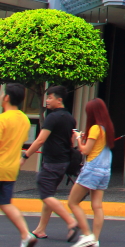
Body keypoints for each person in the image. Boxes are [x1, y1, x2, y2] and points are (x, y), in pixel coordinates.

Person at [21, 86, 78, 242]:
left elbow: (40, 139)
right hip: (64, 161)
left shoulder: (53, 118)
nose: (47, 100)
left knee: (45, 192)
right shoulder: (70, 118)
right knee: (49, 193)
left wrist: (25, 156)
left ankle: (71, 222)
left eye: (50, 97)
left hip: (53, 161)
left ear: (59, 100)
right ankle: (40, 229)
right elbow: (71, 140)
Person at [69, 99, 115, 247]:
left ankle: (87, 235)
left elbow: (85, 150)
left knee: (73, 202)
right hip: (105, 170)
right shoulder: (107, 128)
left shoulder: (95, 128)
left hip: (92, 169)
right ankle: (95, 239)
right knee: (97, 206)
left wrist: (78, 139)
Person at [0, 84, 38, 247]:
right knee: (6, 203)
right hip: (11, 168)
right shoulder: (24, 119)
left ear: (7, 97)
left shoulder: (3, 119)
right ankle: (25, 234)